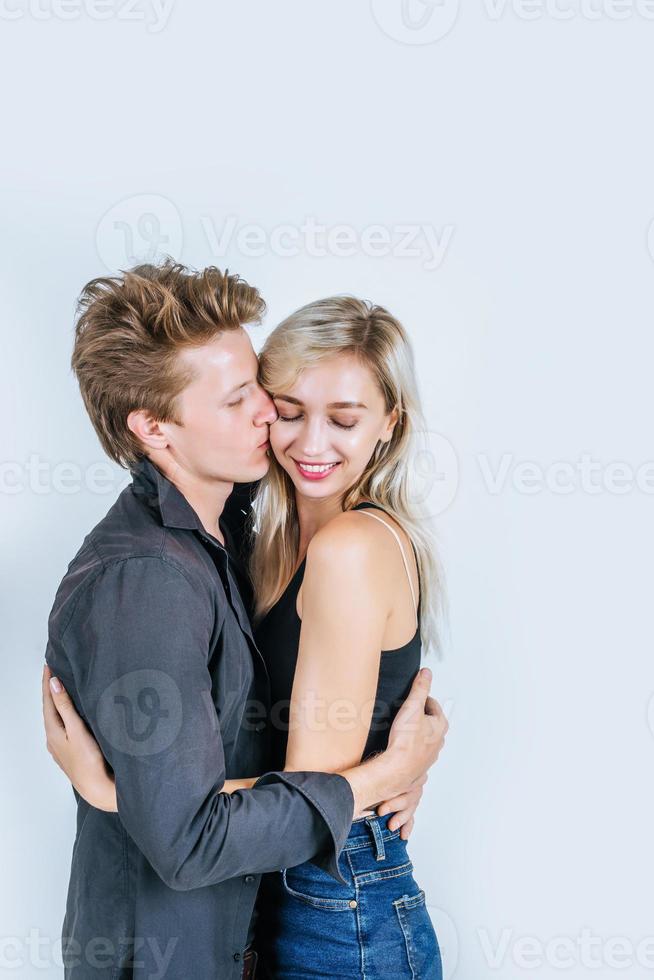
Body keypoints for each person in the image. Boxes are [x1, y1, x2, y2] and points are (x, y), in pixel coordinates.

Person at [43, 267, 449, 979]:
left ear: (391, 423)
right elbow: (240, 804)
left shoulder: (302, 541)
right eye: (262, 401)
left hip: (333, 906)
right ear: (155, 427)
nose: (276, 421)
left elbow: (308, 782)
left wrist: (120, 791)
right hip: (272, 906)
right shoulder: (201, 554)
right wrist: (391, 768)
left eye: (345, 418)